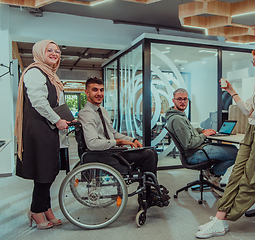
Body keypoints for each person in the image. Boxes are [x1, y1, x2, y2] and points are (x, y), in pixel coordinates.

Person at [195, 43, 255, 238]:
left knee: (254, 178)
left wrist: (250, 112)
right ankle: (220, 218)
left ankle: (224, 217)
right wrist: (232, 91)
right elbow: (249, 111)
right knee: (237, 174)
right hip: (253, 130)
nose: (253, 63)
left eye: (254, 60)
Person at [78, 77, 165, 205]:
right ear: (87, 92)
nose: (99, 93)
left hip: (110, 151)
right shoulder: (86, 113)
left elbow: (112, 133)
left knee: (149, 151)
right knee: (149, 155)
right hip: (102, 155)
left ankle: (149, 191)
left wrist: (132, 139)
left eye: (101, 90)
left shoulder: (102, 111)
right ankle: (148, 195)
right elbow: (92, 144)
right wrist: (119, 142)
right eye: (95, 90)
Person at [14, 39, 71, 230]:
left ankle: (45, 207)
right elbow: (39, 101)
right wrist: (57, 120)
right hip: (39, 131)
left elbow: (54, 103)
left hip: (48, 131)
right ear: (39, 52)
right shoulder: (35, 72)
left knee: (48, 172)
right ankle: (36, 211)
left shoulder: (50, 74)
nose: (55, 53)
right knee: (43, 173)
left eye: (57, 51)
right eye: (50, 50)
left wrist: (65, 120)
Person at [165, 88, 238, 197]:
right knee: (234, 152)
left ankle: (211, 174)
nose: (182, 101)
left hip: (198, 150)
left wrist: (201, 131)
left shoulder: (179, 115)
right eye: (179, 99)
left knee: (231, 149)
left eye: (185, 99)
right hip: (194, 154)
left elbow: (189, 131)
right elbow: (188, 144)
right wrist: (205, 135)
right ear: (173, 100)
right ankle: (214, 175)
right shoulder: (177, 119)